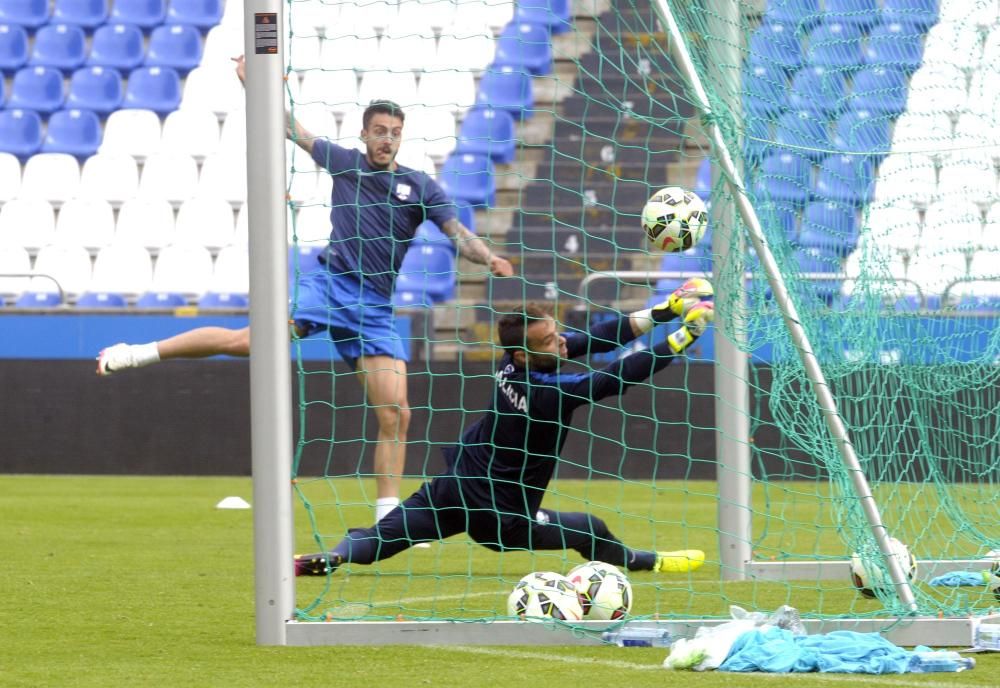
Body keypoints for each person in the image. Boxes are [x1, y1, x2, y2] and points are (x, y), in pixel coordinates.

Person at [96, 55, 514, 524]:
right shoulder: (345, 163)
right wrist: (255, 83)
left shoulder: (419, 186)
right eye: (379, 130)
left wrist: (489, 257)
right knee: (247, 343)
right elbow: (291, 128)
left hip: (375, 308)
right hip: (330, 287)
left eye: (395, 131)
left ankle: (386, 519)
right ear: (364, 134)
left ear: (402, 136)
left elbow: (458, 232)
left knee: (397, 412)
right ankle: (139, 352)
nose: (387, 138)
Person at [295, 278, 715, 577]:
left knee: (380, 538)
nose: (561, 342)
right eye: (551, 340)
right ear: (524, 354)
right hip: (503, 517)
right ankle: (650, 562)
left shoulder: (513, 361)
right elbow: (611, 379)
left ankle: (333, 557)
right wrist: (684, 337)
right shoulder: (546, 393)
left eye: (554, 332)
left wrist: (663, 311)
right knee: (590, 529)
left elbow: (595, 338)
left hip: (456, 485)